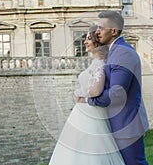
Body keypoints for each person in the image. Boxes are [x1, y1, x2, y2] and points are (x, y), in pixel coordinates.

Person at [49, 25, 125, 165]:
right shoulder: (95, 62)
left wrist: (80, 94)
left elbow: (96, 91)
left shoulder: (101, 63)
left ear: (97, 41)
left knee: (91, 151)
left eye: (88, 38)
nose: (85, 41)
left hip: (91, 111)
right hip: (82, 112)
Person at [80, 10, 149, 165]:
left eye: (101, 28)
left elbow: (118, 94)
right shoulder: (114, 51)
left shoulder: (123, 52)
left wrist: (89, 101)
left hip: (126, 123)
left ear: (114, 31)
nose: (97, 32)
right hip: (119, 122)